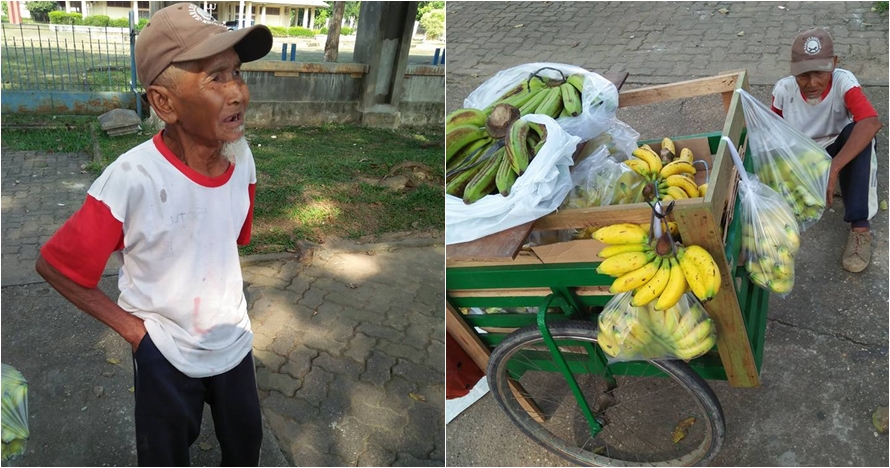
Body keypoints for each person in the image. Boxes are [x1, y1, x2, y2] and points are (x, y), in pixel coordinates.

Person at [35, 3, 273, 465]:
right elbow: (56, 266)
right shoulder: (130, 180)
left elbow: (232, 239)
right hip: (164, 352)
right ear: (164, 102)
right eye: (216, 77)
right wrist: (136, 333)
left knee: (246, 448)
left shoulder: (241, 159)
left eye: (238, 73)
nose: (238, 92)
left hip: (232, 341)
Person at [770, 28, 882, 273]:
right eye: (802, 75)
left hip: (837, 149)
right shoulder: (783, 90)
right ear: (792, 71)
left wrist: (834, 167)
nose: (811, 83)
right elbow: (772, 133)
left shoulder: (844, 82)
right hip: (802, 155)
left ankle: (860, 229)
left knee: (861, 136)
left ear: (834, 64)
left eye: (819, 73)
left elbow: (871, 122)